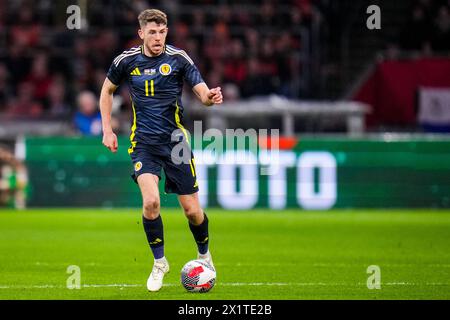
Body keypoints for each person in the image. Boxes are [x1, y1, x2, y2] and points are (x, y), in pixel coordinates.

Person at [99, 9, 223, 292]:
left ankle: (204, 255)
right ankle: (159, 262)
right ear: (141, 33)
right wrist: (107, 129)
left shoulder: (178, 59)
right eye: (152, 32)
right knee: (151, 202)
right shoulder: (126, 61)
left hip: (177, 144)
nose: (158, 38)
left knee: (192, 211)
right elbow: (106, 91)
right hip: (143, 143)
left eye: (162, 32)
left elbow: (201, 91)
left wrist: (210, 97)